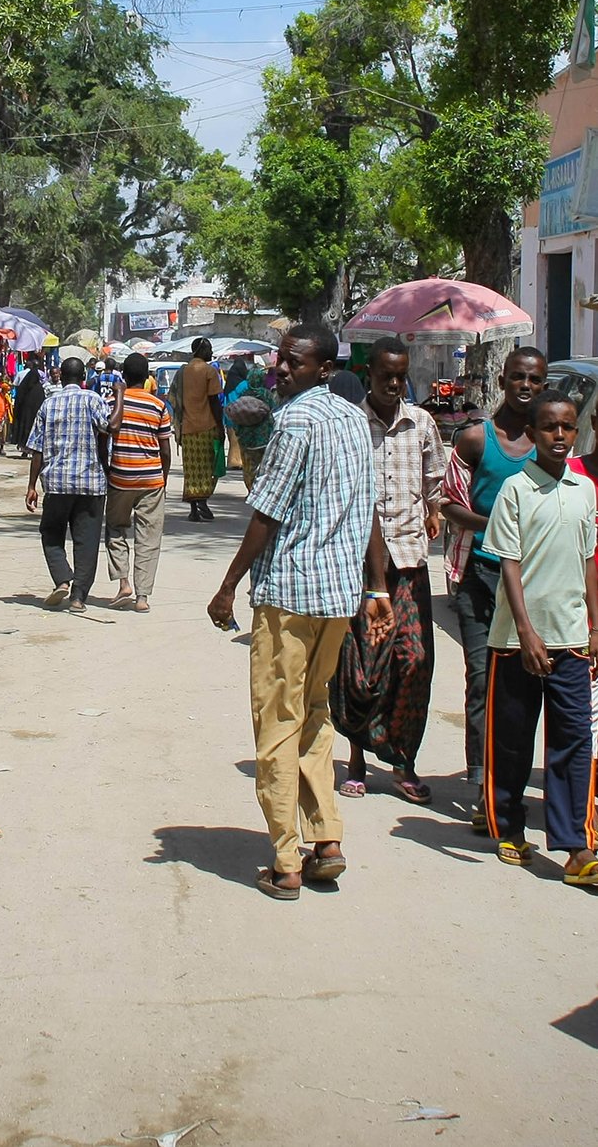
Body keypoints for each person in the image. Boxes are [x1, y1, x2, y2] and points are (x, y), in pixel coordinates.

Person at [206, 324, 390, 901]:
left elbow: (267, 512)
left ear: (324, 369)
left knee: (277, 721)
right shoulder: (354, 419)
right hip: (337, 597)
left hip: (290, 595)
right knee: (313, 713)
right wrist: (375, 586)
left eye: (296, 362)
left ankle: (286, 859)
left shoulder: (296, 421)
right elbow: (367, 508)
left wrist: (228, 585)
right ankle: (326, 839)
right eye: (281, 359)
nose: (283, 370)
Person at [480, 389, 598, 884]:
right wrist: (526, 632)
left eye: (567, 426)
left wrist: (593, 623)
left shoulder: (584, 489)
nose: (559, 435)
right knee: (512, 739)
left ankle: (575, 847)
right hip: (517, 641)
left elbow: (588, 559)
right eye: (549, 427)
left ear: (577, 431)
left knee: (574, 740)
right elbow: (509, 564)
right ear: (532, 434)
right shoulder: (516, 489)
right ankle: (509, 826)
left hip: (571, 637)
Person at [330, 338, 446, 804]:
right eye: (386, 376)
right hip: (361, 565)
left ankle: (403, 761)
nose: (394, 384)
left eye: (401, 376)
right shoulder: (350, 424)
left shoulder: (421, 423)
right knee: (364, 669)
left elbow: (434, 479)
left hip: (410, 560)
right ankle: (357, 759)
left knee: (414, 661)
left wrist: (434, 510)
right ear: (369, 375)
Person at [441, 347, 546, 831]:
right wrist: (498, 527)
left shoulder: (550, 443)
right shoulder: (475, 440)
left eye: (535, 380)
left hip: (533, 584)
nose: (526, 386)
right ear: (502, 380)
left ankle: (511, 786)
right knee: (483, 680)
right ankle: (483, 786)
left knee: (521, 689)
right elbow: (449, 503)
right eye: (518, 377)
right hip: (480, 577)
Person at [24, 357, 121, 611]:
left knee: (51, 533)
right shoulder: (93, 400)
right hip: (90, 483)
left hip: (57, 483)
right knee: (86, 540)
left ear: (61, 377)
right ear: (83, 378)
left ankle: (62, 579)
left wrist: (32, 486)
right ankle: (78, 597)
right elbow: (111, 427)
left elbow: (37, 449)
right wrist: (119, 395)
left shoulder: (48, 404)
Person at [104, 353, 171, 613]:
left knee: (115, 528)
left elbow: (103, 438)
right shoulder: (158, 406)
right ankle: (142, 597)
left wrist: (107, 469)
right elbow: (165, 449)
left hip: (121, 477)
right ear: (147, 378)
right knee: (149, 538)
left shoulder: (113, 401)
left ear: (124, 376)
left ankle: (123, 583)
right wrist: (163, 477)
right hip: (151, 479)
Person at [175, 338, 223, 521]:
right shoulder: (210, 371)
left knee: (191, 470)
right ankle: (203, 499)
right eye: (209, 349)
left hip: (187, 428)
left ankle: (194, 509)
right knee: (209, 468)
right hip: (207, 427)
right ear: (201, 350)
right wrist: (220, 426)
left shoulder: (182, 372)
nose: (211, 352)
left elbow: (174, 399)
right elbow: (214, 401)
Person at [225, 360, 278, 490]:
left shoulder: (244, 393)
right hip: (263, 437)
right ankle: (259, 489)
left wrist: (238, 430)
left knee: (248, 466)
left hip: (246, 438)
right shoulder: (267, 395)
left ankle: (250, 488)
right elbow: (274, 413)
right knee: (263, 465)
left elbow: (238, 414)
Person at [12, 353, 47, 456]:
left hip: (25, 416)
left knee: (25, 430)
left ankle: (24, 449)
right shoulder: (40, 389)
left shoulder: (24, 388)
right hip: (35, 418)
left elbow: (19, 399)